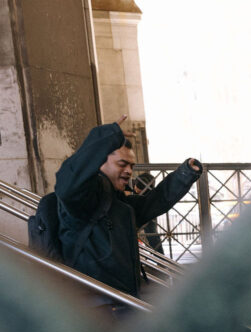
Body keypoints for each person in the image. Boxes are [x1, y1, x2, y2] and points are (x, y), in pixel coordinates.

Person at [54, 116, 200, 304]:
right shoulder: (82, 202)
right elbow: (69, 182)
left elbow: (155, 201)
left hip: (122, 302)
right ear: (99, 164)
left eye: (131, 166)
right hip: (93, 308)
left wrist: (184, 175)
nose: (129, 171)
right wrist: (106, 137)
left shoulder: (122, 206)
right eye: (122, 164)